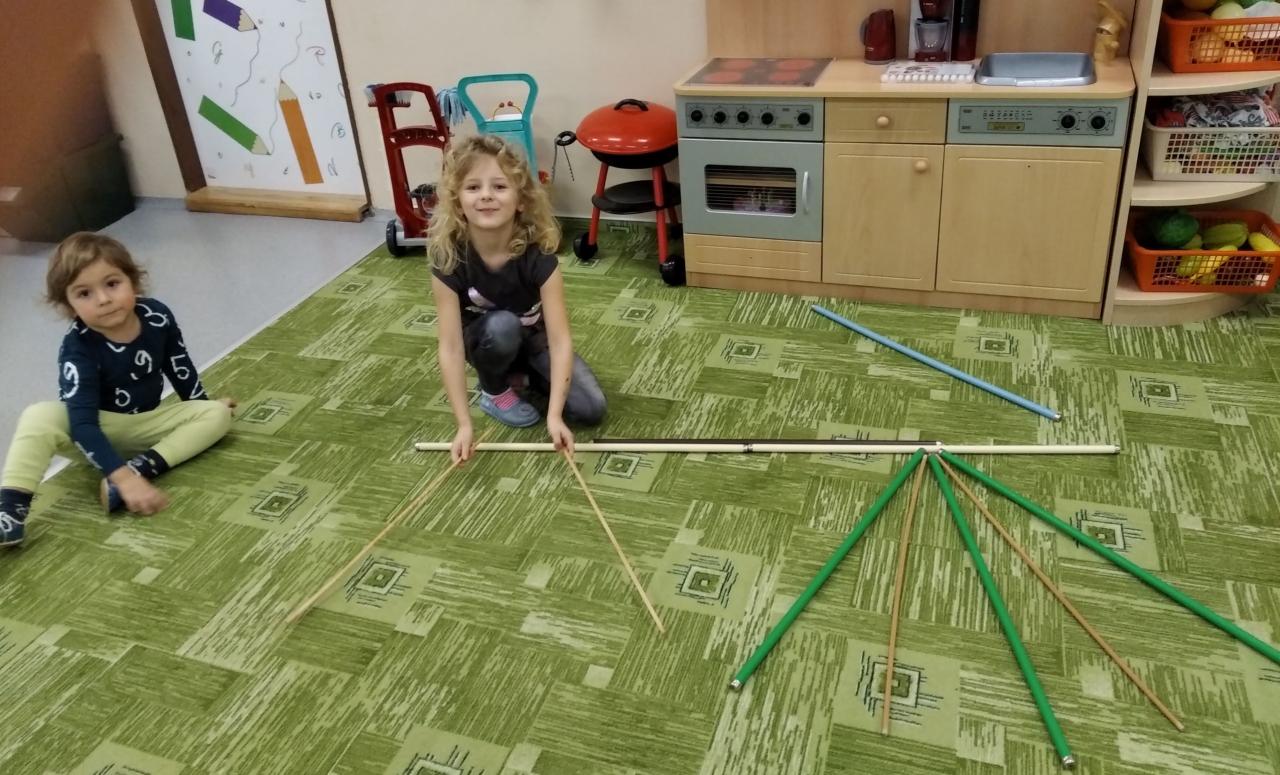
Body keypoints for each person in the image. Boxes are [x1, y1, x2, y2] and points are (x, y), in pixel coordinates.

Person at [0, 232, 234, 548]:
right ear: (69, 305)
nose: (103, 299)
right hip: (94, 434)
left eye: (112, 284)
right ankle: (10, 512)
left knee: (217, 413)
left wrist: (199, 405)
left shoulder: (157, 316)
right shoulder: (78, 348)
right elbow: (82, 425)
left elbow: (179, 366)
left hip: (144, 426)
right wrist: (123, 479)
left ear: (133, 281)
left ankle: (140, 467)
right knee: (39, 416)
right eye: (84, 293)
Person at [428, 135, 606, 465]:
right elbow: (450, 348)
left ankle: (522, 378)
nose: (486, 195)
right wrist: (464, 425)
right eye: (473, 187)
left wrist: (554, 416)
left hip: (534, 341)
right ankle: (494, 389)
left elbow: (560, 340)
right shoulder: (450, 261)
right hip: (488, 341)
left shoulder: (540, 259)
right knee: (503, 325)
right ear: (457, 202)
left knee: (590, 409)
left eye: (499, 186)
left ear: (521, 200)